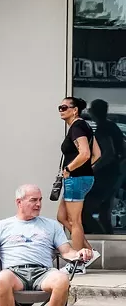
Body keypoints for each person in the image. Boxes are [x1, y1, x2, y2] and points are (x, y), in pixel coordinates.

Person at [57, 97, 101, 272]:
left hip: (75, 179)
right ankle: (89, 251)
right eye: (59, 107)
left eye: (64, 107)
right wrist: (82, 170)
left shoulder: (77, 127)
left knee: (75, 222)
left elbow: (85, 153)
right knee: (62, 217)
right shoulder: (85, 126)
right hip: (80, 178)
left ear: (75, 110)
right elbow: (97, 154)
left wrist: (69, 169)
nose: (60, 110)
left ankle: (77, 262)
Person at [83, 99, 125, 235]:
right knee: (104, 215)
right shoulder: (113, 127)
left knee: (84, 213)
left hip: (104, 177)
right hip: (114, 176)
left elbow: (108, 153)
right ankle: (111, 246)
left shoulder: (102, 129)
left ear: (93, 112)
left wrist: (93, 168)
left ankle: (100, 241)